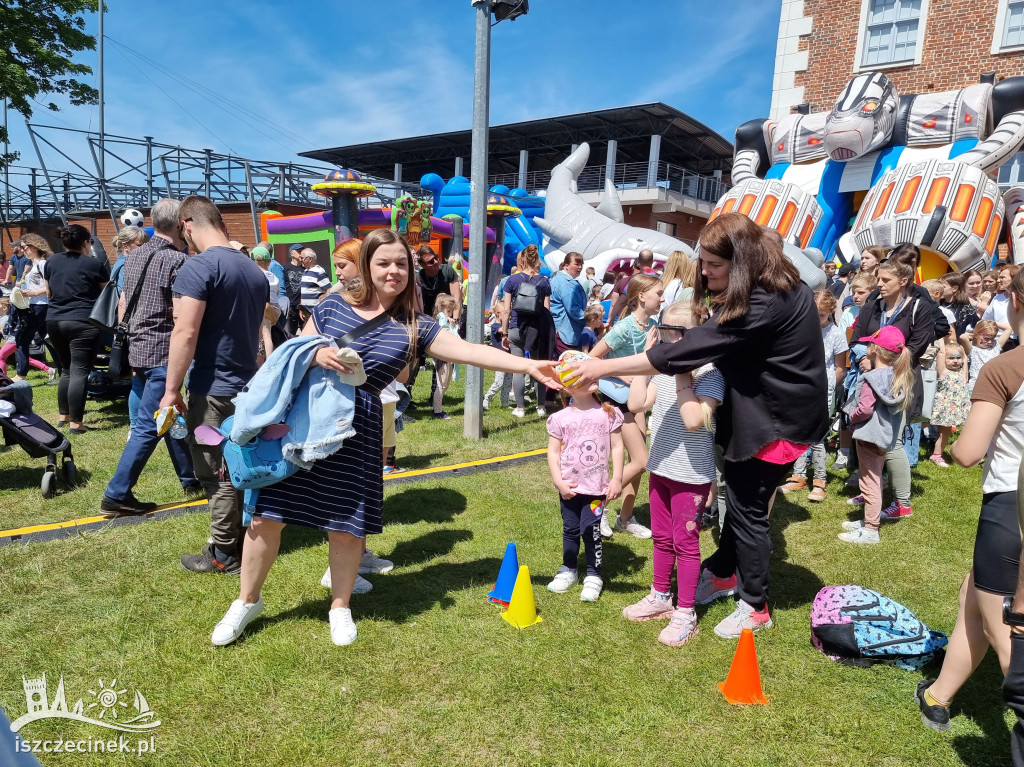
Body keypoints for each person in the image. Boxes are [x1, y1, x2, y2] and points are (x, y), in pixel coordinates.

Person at [208, 228, 560, 647]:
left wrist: (530, 365)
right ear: (368, 267)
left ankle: (340, 606)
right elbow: (293, 352)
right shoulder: (333, 305)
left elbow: (470, 350)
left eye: (401, 264)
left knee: (346, 525)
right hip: (305, 425)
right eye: (384, 263)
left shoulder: (415, 325)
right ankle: (247, 601)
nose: (394, 271)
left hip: (358, 428)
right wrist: (316, 353)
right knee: (268, 516)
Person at [565, 213, 828, 638]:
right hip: (765, 412)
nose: (703, 271)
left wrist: (600, 367)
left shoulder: (765, 300)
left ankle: (755, 605)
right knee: (742, 504)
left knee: (747, 512)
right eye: (702, 261)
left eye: (713, 264)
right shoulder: (771, 283)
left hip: (776, 422)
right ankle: (723, 572)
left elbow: (684, 352)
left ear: (742, 261)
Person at [916, 268, 1024, 732]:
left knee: (1010, 639)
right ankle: (940, 693)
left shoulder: (1006, 368)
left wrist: (964, 431)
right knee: (974, 592)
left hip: (1011, 507)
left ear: (1015, 303)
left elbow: (967, 453)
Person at [158, 195, 270, 575]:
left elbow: (184, 332)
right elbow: (257, 333)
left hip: (214, 388)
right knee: (244, 465)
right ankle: (244, 535)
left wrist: (171, 390)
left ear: (186, 224)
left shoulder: (198, 267)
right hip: (248, 385)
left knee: (216, 471)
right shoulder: (254, 270)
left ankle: (224, 553)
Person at [622, 300, 724, 646]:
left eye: (675, 336)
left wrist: (682, 369)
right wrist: (645, 365)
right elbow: (636, 404)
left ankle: (686, 611)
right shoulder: (665, 373)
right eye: (663, 333)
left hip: (691, 475)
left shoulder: (711, 373)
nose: (667, 343)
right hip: (660, 468)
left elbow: (694, 419)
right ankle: (661, 595)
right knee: (662, 538)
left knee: (686, 543)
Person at [101, 199, 200, 514]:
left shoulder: (134, 255)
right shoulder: (177, 261)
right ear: (179, 224)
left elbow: (124, 303)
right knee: (149, 425)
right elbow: (179, 313)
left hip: (138, 349)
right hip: (162, 351)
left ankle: (190, 478)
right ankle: (116, 494)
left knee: (166, 417)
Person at [850, 257, 939, 513]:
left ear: (903, 281)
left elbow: (916, 346)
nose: (879, 284)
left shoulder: (919, 308)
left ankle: (902, 502)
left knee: (893, 441)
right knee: (871, 438)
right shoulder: (872, 306)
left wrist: (882, 365)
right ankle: (872, 491)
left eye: (885, 280)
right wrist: (866, 358)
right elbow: (856, 339)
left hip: (899, 381)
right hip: (869, 378)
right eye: (878, 279)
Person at [588, 274, 663, 539]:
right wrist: (621, 374)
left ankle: (626, 517)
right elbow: (592, 359)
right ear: (642, 296)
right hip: (618, 401)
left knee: (638, 460)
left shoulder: (652, 326)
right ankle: (598, 508)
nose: (663, 298)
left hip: (638, 400)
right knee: (642, 460)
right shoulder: (623, 328)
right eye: (659, 293)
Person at [545, 371, 624, 602]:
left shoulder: (608, 414)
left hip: (596, 489)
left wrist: (617, 478)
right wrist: (558, 481)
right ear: (568, 388)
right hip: (569, 488)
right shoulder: (560, 418)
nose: (591, 379)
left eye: (591, 375)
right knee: (570, 528)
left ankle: (594, 575)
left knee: (592, 531)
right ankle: (568, 568)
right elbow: (553, 452)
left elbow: (618, 447)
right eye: (581, 378)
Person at [840, 326, 914, 544]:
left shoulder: (870, 378)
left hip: (868, 436)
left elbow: (864, 410)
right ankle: (868, 520)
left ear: (876, 349)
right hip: (883, 437)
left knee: (869, 483)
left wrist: (851, 417)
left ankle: (871, 530)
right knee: (874, 478)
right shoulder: (897, 376)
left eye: (870, 343)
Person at [780, 290, 847, 502]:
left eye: (821, 315)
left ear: (830, 313)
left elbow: (840, 367)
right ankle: (798, 475)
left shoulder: (836, 335)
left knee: (817, 438)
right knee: (798, 433)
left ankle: (819, 480)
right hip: (800, 388)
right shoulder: (801, 328)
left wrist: (826, 389)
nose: (816, 319)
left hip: (822, 391)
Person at [45, 225, 109, 433]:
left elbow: (48, 293)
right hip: (82, 321)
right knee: (80, 371)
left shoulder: (51, 261)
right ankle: (76, 423)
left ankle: (63, 416)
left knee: (66, 369)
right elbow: (106, 295)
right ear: (85, 242)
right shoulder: (94, 264)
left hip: (54, 320)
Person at [500, 244, 553, 418]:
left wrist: (505, 332)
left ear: (521, 261)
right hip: (537, 330)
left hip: (516, 327)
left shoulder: (512, 280)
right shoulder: (544, 281)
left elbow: (506, 310)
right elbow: (546, 309)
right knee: (538, 366)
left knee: (519, 368)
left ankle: (521, 408)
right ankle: (541, 407)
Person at [9, 234, 53, 382]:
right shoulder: (34, 265)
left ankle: (20, 375)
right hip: (36, 305)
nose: (22, 250)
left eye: (24, 247)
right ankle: (63, 370)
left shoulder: (42, 264)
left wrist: (33, 292)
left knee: (22, 339)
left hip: (40, 306)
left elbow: (51, 287)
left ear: (33, 247)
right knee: (50, 341)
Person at [928, 340, 969, 468]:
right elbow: (941, 353)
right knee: (944, 433)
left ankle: (957, 453)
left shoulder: (962, 374)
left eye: (958, 358)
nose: (955, 361)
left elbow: (965, 358)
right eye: (951, 358)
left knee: (948, 433)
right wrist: (941, 340)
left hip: (956, 410)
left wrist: (963, 352)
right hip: (945, 410)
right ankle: (936, 455)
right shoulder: (943, 373)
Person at [550, 251, 587, 354]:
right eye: (577, 264)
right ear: (566, 266)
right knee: (569, 367)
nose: (580, 267)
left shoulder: (557, 279)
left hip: (561, 331)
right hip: (567, 334)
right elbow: (573, 310)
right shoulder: (567, 284)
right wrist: (590, 320)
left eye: (581, 264)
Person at [962, 319, 1012, 394]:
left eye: (992, 338)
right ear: (976, 335)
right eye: (986, 338)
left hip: (993, 386)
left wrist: (991, 323)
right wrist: (971, 334)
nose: (990, 342)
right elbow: (962, 337)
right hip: (976, 387)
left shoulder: (995, 347)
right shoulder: (972, 350)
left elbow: (1009, 328)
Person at [431, 293, 460, 420]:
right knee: (441, 383)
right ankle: (437, 410)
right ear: (441, 308)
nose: (450, 314)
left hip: (447, 354)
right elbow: (444, 333)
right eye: (449, 311)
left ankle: (438, 407)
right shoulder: (441, 318)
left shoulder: (443, 318)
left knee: (445, 383)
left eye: (451, 311)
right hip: (442, 355)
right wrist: (452, 326)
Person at [483, 301, 513, 410]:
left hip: (508, 358)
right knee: (499, 382)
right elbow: (503, 330)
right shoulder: (495, 326)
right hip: (499, 359)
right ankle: (486, 399)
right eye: (506, 314)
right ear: (498, 313)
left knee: (508, 383)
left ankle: (505, 403)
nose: (508, 317)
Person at [610, 250, 654, 320]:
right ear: (652, 261)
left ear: (638, 261)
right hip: (654, 317)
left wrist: (610, 319)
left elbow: (622, 300)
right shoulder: (660, 278)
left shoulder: (635, 279)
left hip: (637, 318)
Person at [939, 271, 977, 338]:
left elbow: (975, 326)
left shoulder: (965, 308)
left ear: (954, 288)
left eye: (943, 287)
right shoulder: (939, 303)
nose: (939, 289)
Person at [281, 244, 305, 333]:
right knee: (291, 332)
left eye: (302, 252)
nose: (300, 254)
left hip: (303, 305)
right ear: (291, 253)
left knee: (306, 332)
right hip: (290, 305)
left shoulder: (305, 269)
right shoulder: (284, 268)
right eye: (298, 252)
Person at [300, 248, 331, 313]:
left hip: (317, 312)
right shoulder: (306, 271)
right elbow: (304, 291)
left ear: (310, 259)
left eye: (302, 258)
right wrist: (302, 309)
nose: (300, 260)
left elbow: (329, 290)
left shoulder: (319, 272)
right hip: (307, 312)